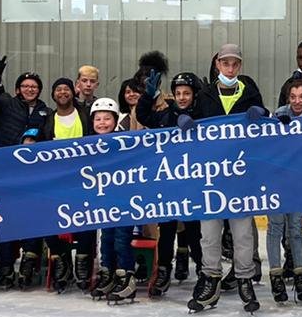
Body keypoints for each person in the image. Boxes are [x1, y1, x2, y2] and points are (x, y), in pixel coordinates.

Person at [187, 43, 268, 313]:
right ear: (217, 65)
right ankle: (210, 278)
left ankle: (245, 278)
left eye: (235, 64)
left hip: (240, 176)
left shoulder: (250, 91)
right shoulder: (206, 94)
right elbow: (194, 122)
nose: (230, 68)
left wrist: (262, 114)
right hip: (210, 176)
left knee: (243, 233)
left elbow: (263, 119)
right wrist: (184, 120)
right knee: (209, 233)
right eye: (226, 63)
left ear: (240, 66)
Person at [143, 71, 204, 292]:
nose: (181, 97)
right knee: (167, 230)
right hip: (168, 184)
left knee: (194, 232)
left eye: (186, 93)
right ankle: (163, 269)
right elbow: (143, 116)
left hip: (193, 184)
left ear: (194, 95)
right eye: (178, 93)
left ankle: (203, 270)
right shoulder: (166, 115)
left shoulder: (203, 115)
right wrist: (148, 96)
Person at [0, 72, 51, 288]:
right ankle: (5, 266)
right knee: (6, 218)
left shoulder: (46, 111)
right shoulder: (7, 105)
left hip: (33, 174)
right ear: (17, 89)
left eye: (34, 86)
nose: (30, 89)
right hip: (7, 171)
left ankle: (28, 262)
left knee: (31, 218)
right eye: (25, 86)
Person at [86, 97, 141, 304]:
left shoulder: (124, 142)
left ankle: (126, 277)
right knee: (106, 239)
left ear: (115, 120)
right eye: (98, 119)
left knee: (121, 239)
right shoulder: (88, 145)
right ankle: (107, 274)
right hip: (102, 203)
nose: (102, 123)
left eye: (107, 118)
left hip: (123, 202)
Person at [266, 78, 302, 303]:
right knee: (275, 226)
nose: (297, 101)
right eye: (293, 97)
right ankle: (276, 274)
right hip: (277, 181)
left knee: (295, 228)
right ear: (288, 98)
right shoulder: (279, 115)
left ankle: (300, 274)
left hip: (300, 183)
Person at [45, 77, 96, 294]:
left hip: (83, 178)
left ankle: (83, 262)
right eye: (59, 89)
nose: (63, 92)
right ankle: (62, 260)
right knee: (52, 219)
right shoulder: (47, 119)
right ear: (53, 95)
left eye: (66, 89)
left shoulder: (84, 114)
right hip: (56, 179)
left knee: (86, 218)